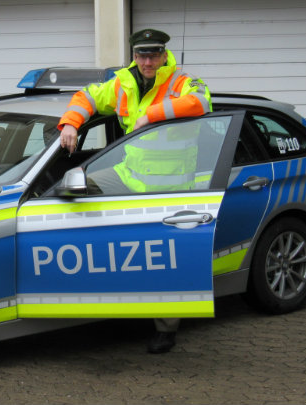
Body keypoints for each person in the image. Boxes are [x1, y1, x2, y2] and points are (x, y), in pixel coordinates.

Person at [57, 28, 212, 354]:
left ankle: (165, 330)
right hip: (129, 177)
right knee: (73, 192)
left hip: (169, 190)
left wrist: (150, 116)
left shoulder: (180, 81)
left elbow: (202, 102)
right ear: (134, 55)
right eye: (142, 55)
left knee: (164, 263)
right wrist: (71, 123)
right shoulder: (123, 82)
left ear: (163, 54)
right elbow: (87, 96)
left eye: (154, 54)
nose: (148, 61)